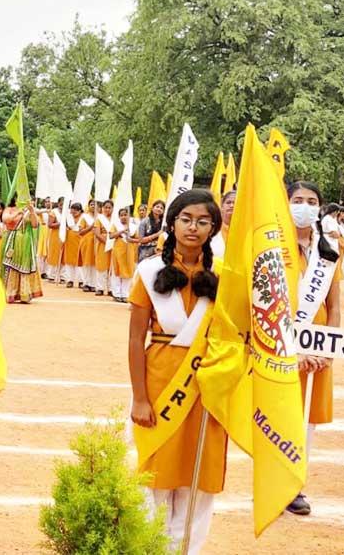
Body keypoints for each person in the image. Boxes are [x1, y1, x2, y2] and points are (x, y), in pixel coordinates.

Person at [128, 189, 226, 555]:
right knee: (155, 474)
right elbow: (136, 338)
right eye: (186, 219)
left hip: (206, 388)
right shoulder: (149, 270)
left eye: (203, 222)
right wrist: (139, 397)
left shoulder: (225, 277)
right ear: (172, 223)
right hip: (158, 383)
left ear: (213, 228)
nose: (193, 227)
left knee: (197, 480)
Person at [285, 182, 341, 516]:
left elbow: (334, 307)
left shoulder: (329, 250)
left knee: (306, 422)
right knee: (278, 414)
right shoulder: (273, 246)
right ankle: (275, 482)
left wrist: (328, 349)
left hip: (317, 351)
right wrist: (292, 350)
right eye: (297, 200)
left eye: (312, 201)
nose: (304, 206)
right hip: (282, 347)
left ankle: (295, 486)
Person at [0, 197, 42, 303]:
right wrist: (19, 211)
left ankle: (24, 294)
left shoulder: (30, 210)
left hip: (26, 242)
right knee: (11, 267)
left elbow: (35, 225)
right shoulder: (9, 209)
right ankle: (9, 292)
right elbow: (6, 219)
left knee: (24, 267)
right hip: (11, 241)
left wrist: (31, 211)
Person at [110, 208, 137, 302]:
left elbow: (137, 239)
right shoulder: (116, 225)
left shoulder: (133, 227)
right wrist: (122, 231)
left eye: (125, 215)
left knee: (128, 272)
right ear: (119, 217)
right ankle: (116, 293)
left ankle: (125, 294)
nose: (124, 217)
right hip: (118, 251)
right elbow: (111, 236)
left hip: (129, 252)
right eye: (121, 215)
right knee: (117, 272)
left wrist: (130, 236)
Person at [93, 200, 114, 296]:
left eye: (109, 208)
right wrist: (107, 242)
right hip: (102, 244)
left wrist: (111, 243)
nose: (107, 209)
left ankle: (111, 288)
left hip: (114, 245)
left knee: (112, 267)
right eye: (106, 207)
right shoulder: (99, 219)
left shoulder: (115, 219)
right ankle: (100, 288)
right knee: (101, 266)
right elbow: (97, 233)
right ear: (102, 208)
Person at [62, 203, 83, 288]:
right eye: (72, 209)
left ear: (80, 211)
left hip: (80, 239)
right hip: (70, 239)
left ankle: (81, 280)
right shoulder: (68, 217)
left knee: (79, 260)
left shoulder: (83, 217)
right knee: (69, 260)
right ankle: (70, 280)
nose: (74, 212)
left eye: (76, 210)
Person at [210, 190, 235, 258]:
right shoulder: (211, 230)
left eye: (235, 203)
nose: (232, 205)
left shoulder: (247, 232)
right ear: (222, 206)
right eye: (228, 202)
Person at [79, 201, 97, 292]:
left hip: (97, 243)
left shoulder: (99, 217)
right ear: (88, 206)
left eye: (95, 204)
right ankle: (86, 283)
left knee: (94, 264)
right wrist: (90, 227)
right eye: (91, 204)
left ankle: (93, 284)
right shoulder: (84, 217)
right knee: (86, 263)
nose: (93, 206)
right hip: (86, 242)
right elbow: (80, 232)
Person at [45, 198, 64, 282]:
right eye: (61, 203)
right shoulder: (53, 212)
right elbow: (50, 224)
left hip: (64, 235)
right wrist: (60, 224)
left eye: (64, 204)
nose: (62, 205)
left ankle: (62, 276)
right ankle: (51, 275)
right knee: (54, 253)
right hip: (55, 235)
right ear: (58, 203)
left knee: (63, 254)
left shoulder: (68, 212)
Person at [36, 198, 52, 278]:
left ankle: (47, 271)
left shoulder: (54, 211)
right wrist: (46, 211)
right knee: (41, 252)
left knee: (49, 252)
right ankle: (41, 271)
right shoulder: (42, 210)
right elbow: (36, 211)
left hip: (51, 231)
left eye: (49, 201)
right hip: (43, 231)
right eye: (46, 201)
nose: (47, 203)